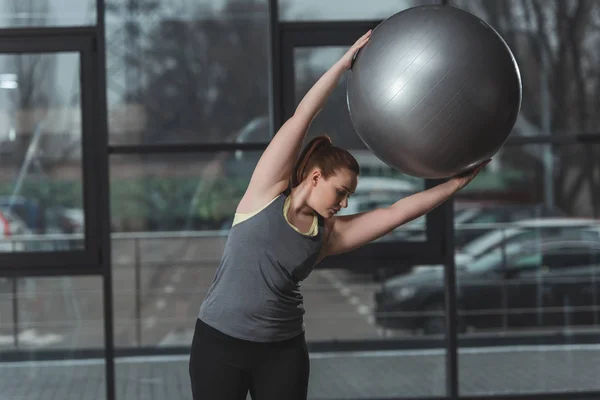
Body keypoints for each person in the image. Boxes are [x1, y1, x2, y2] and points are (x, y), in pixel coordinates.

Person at [189, 30, 488, 400]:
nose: (344, 204)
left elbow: (397, 212)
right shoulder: (264, 193)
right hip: (218, 343)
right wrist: (343, 64)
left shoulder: (326, 235)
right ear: (316, 177)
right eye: (340, 192)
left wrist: (455, 185)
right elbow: (304, 115)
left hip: (282, 351)